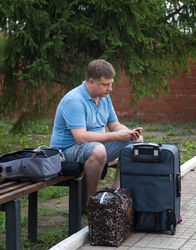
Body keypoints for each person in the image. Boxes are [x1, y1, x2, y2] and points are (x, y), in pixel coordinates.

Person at [50, 59, 142, 204]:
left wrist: (129, 133)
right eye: (105, 84)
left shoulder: (104, 97)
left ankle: (117, 193)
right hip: (66, 152)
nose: (110, 88)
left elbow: (115, 125)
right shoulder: (74, 100)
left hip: (94, 146)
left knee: (136, 141)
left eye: (111, 84)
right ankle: (92, 201)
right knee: (98, 150)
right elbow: (80, 138)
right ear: (91, 82)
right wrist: (117, 135)